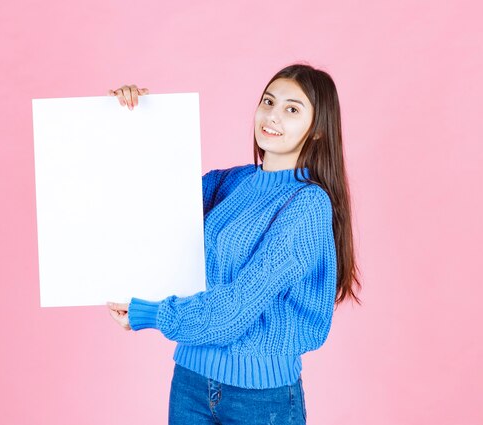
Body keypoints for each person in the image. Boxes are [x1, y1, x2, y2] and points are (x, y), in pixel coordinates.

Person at [106, 63, 361, 424]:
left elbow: (239, 304)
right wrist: (131, 122)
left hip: (260, 400)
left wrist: (152, 314)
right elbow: (148, 208)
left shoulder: (308, 204)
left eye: (292, 109)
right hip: (190, 383)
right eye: (268, 102)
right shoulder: (229, 183)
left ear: (318, 131)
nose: (272, 116)